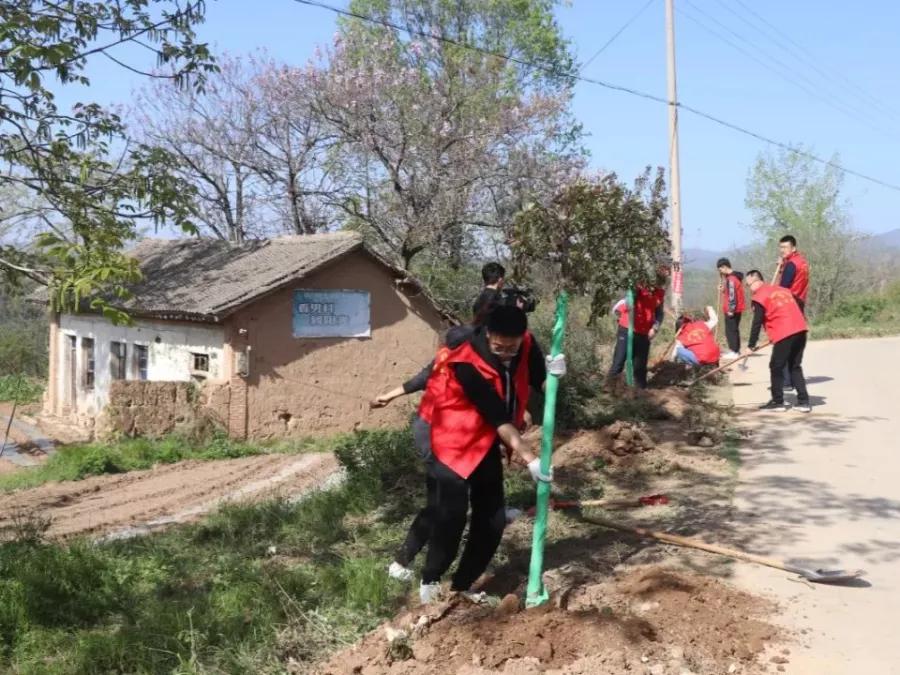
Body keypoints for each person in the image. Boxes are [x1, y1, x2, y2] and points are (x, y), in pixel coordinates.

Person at [419, 306, 563, 604]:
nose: (507, 353)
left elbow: (541, 383)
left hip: (487, 443)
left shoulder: (525, 344)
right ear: (488, 334)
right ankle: (431, 579)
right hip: (454, 441)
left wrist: (556, 376)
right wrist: (530, 458)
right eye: (500, 347)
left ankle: (463, 584)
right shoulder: (465, 361)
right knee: (452, 515)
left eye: (513, 346)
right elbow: (498, 417)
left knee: (493, 518)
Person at [743, 270, 811, 413]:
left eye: (749, 284)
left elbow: (757, 322)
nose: (749, 288)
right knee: (794, 366)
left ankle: (778, 401)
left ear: (757, 281)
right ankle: (804, 402)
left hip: (785, 332)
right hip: (800, 329)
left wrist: (751, 345)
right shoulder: (783, 290)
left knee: (776, 366)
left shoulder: (759, 296)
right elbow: (798, 302)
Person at [607, 274, 667, 389]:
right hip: (626, 329)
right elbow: (623, 303)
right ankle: (609, 390)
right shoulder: (638, 287)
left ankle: (639, 395)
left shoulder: (660, 293)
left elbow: (659, 313)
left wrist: (655, 328)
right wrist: (619, 315)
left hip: (644, 333)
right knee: (619, 361)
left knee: (639, 368)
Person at [776, 235, 810, 390]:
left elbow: (783, 287)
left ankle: (786, 381)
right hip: (800, 302)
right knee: (794, 344)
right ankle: (790, 380)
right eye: (781, 247)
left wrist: (782, 267)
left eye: (785, 247)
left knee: (784, 342)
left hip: (790, 304)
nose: (782, 250)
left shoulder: (791, 265)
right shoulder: (802, 262)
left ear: (793, 248)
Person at [716, 258, 745, 359]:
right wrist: (723, 289)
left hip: (732, 309)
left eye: (720, 269)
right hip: (737, 308)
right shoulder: (734, 277)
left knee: (730, 330)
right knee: (734, 330)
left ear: (724, 267)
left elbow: (732, 296)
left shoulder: (731, 279)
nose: (720, 272)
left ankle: (734, 351)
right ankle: (736, 350)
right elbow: (731, 292)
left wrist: (731, 310)